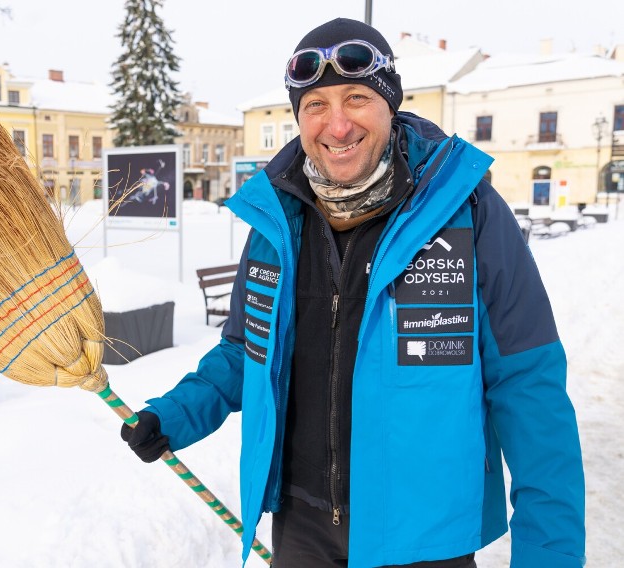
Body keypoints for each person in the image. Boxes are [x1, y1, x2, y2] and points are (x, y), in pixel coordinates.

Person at [121, 18, 585, 568]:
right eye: (315, 105)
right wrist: (173, 414)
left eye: (357, 98)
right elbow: (245, 351)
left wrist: (548, 555)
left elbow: (528, 388)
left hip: (423, 539)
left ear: (391, 104)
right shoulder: (276, 222)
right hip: (302, 532)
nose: (336, 125)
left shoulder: (469, 213)